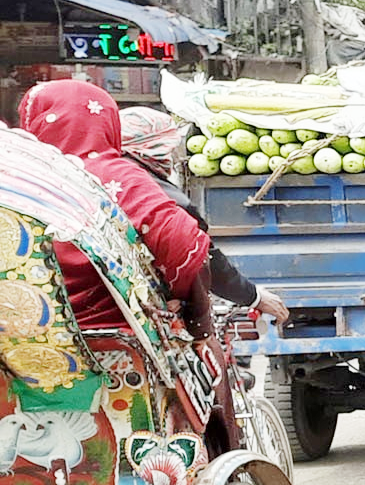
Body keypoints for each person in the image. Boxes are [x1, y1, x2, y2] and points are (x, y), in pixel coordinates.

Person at [18, 81, 209, 331]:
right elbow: (182, 243)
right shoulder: (118, 177)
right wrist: (196, 317)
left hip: (22, 339)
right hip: (114, 340)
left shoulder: (15, 178)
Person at [117, 107, 286, 324]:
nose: (171, 156)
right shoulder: (145, 187)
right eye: (167, 148)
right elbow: (197, 250)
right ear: (151, 147)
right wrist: (253, 297)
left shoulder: (103, 174)